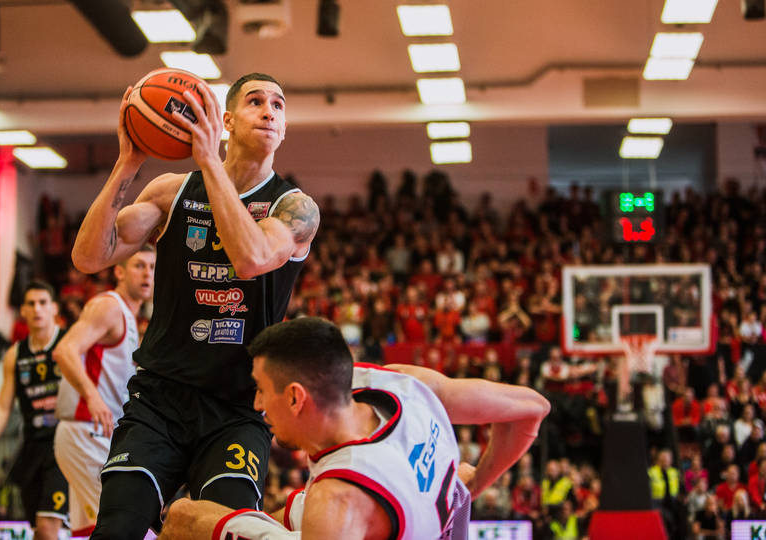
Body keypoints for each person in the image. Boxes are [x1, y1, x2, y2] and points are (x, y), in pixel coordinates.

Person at [71, 72, 319, 539]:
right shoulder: (172, 191)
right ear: (227, 120)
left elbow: (251, 259)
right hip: (159, 399)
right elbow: (89, 257)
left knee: (224, 531)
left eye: (278, 105)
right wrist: (127, 164)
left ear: (284, 128)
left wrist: (208, 161)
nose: (269, 111)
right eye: (255, 101)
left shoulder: (295, 208)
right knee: (118, 527)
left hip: (237, 407)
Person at [158, 318, 549, 540]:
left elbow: (335, 511)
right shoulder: (399, 383)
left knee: (184, 518)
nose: (257, 404)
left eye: (261, 389)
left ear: (295, 397)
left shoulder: (337, 502)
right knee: (281, 513)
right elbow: (533, 408)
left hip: (355, 520)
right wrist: (477, 480)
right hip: (431, 516)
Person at [52, 247, 155, 537]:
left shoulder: (133, 319)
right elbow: (65, 350)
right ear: (119, 272)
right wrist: (92, 396)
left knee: (88, 530)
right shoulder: (109, 307)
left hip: (98, 433)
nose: (147, 274)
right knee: (126, 522)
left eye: (152, 267)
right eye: (139, 265)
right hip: (86, 430)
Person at [0, 281, 69, 539]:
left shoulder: (69, 343)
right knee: (37, 531)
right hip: (32, 446)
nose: (37, 309)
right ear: (22, 310)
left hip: (65, 445)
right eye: (31, 304)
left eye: (43, 303)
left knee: (48, 526)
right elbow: (3, 407)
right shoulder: (15, 355)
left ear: (54, 308)